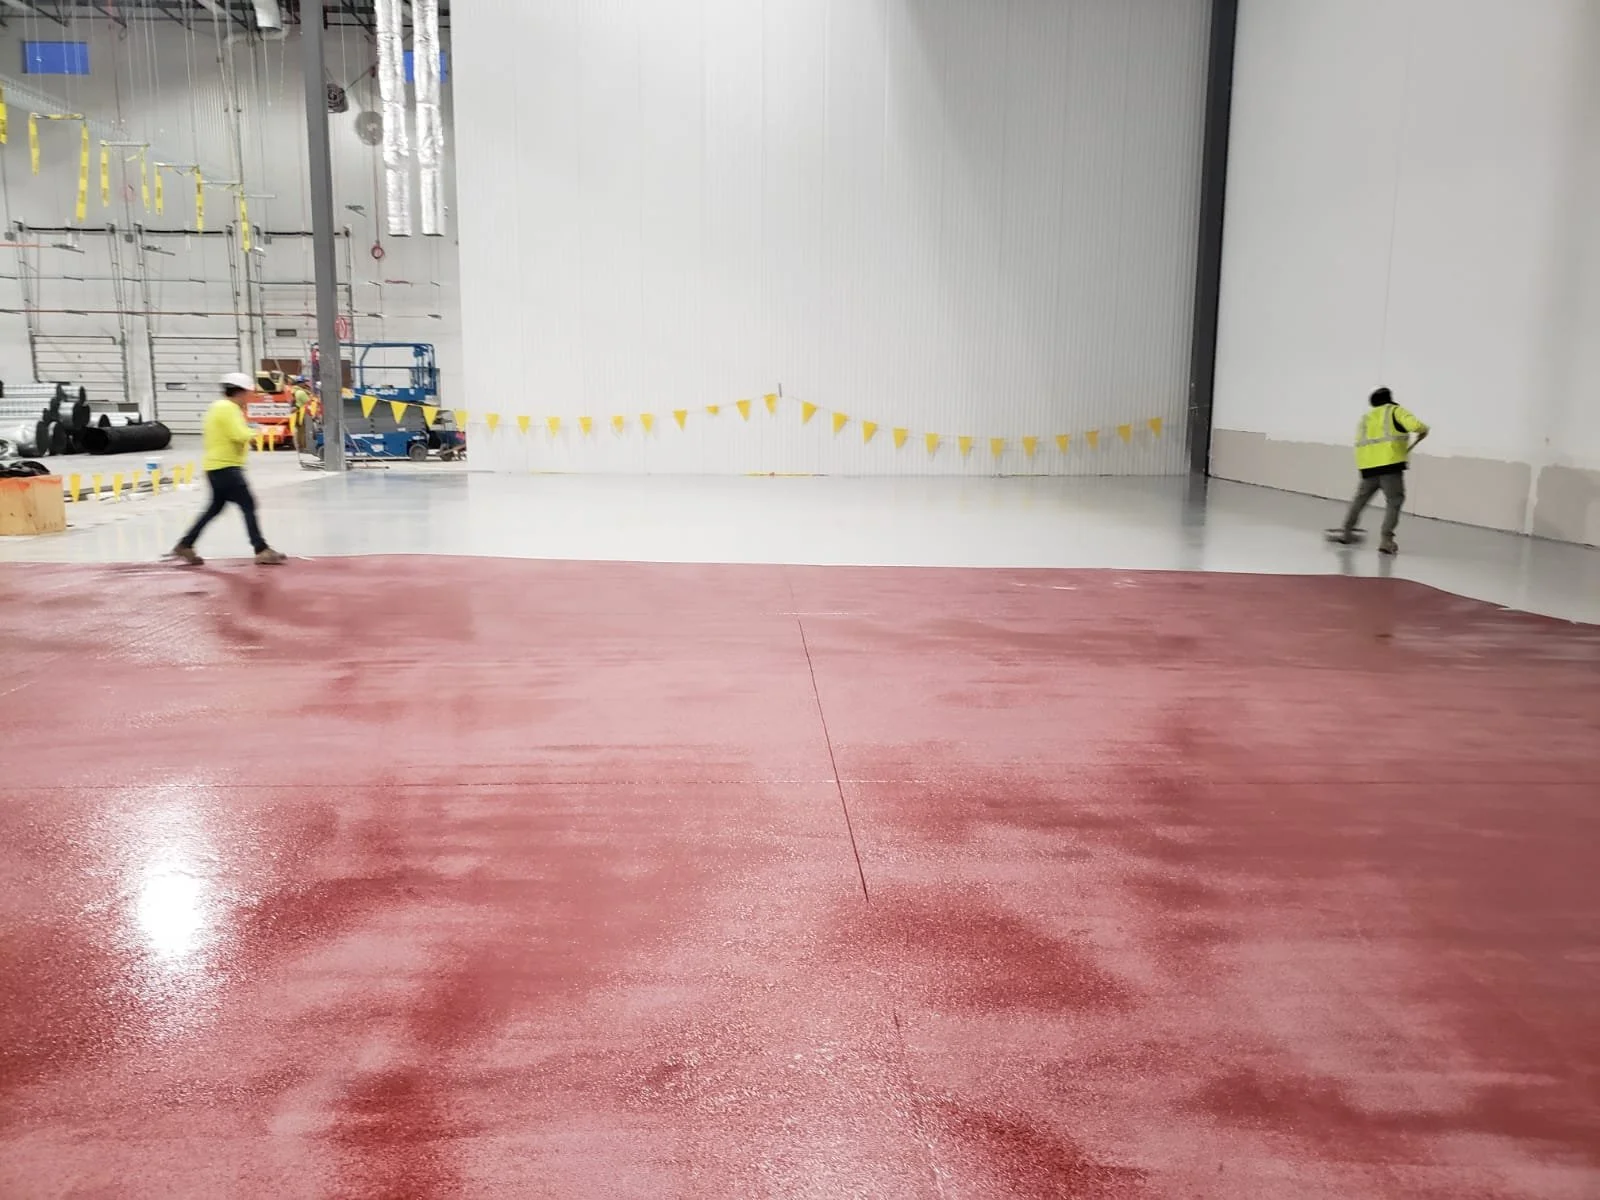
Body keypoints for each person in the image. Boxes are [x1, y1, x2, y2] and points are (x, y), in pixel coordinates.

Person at [169, 372, 287, 566]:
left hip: (215, 467)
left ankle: (185, 544)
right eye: (248, 393)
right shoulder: (229, 408)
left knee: (214, 508)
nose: (249, 397)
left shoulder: (216, 407)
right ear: (239, 392)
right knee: (248, 504)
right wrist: (258, 430)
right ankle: (261, 549)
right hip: (227, 467)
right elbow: (238, 434)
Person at [1326, 387, 1429, 555]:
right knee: (1394, 501)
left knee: (1359, 501)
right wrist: (1424, 430)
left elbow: (1360, 443)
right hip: (1390, 468)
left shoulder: (1366, 418)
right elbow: (1416, 425)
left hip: (1368, 469)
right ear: (1389, 399)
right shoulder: (1395, 411)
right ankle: (1386, 540)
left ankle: (1346, 532)